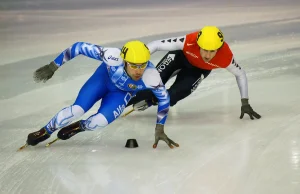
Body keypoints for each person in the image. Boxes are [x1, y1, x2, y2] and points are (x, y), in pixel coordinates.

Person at [21, 40, 179, 150]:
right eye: (134, 65)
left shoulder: (151, 76)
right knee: (76, 110)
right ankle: (46, 130)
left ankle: (79, 126)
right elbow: (78, 47)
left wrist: (159, 128)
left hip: (121, 93)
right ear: (124, 61)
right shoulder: (112, 55)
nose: (139, 70)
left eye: (142, 65)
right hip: (102, 79)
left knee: (100, 122)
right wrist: (53, 66)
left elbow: (164, 99)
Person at [127, 26, 261, 120]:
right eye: (204, 50)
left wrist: (245, 102)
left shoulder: (225, 57)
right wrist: (137, 60)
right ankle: (117, 100)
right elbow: (156, 45)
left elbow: (240, 74)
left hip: (198, 70)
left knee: (171, 97)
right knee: (149, 86)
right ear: (198, 44)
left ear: (219, 49)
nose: (207, 55)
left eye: (212, 51)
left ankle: (151, 101)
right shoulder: (189, 41)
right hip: (179, 58)